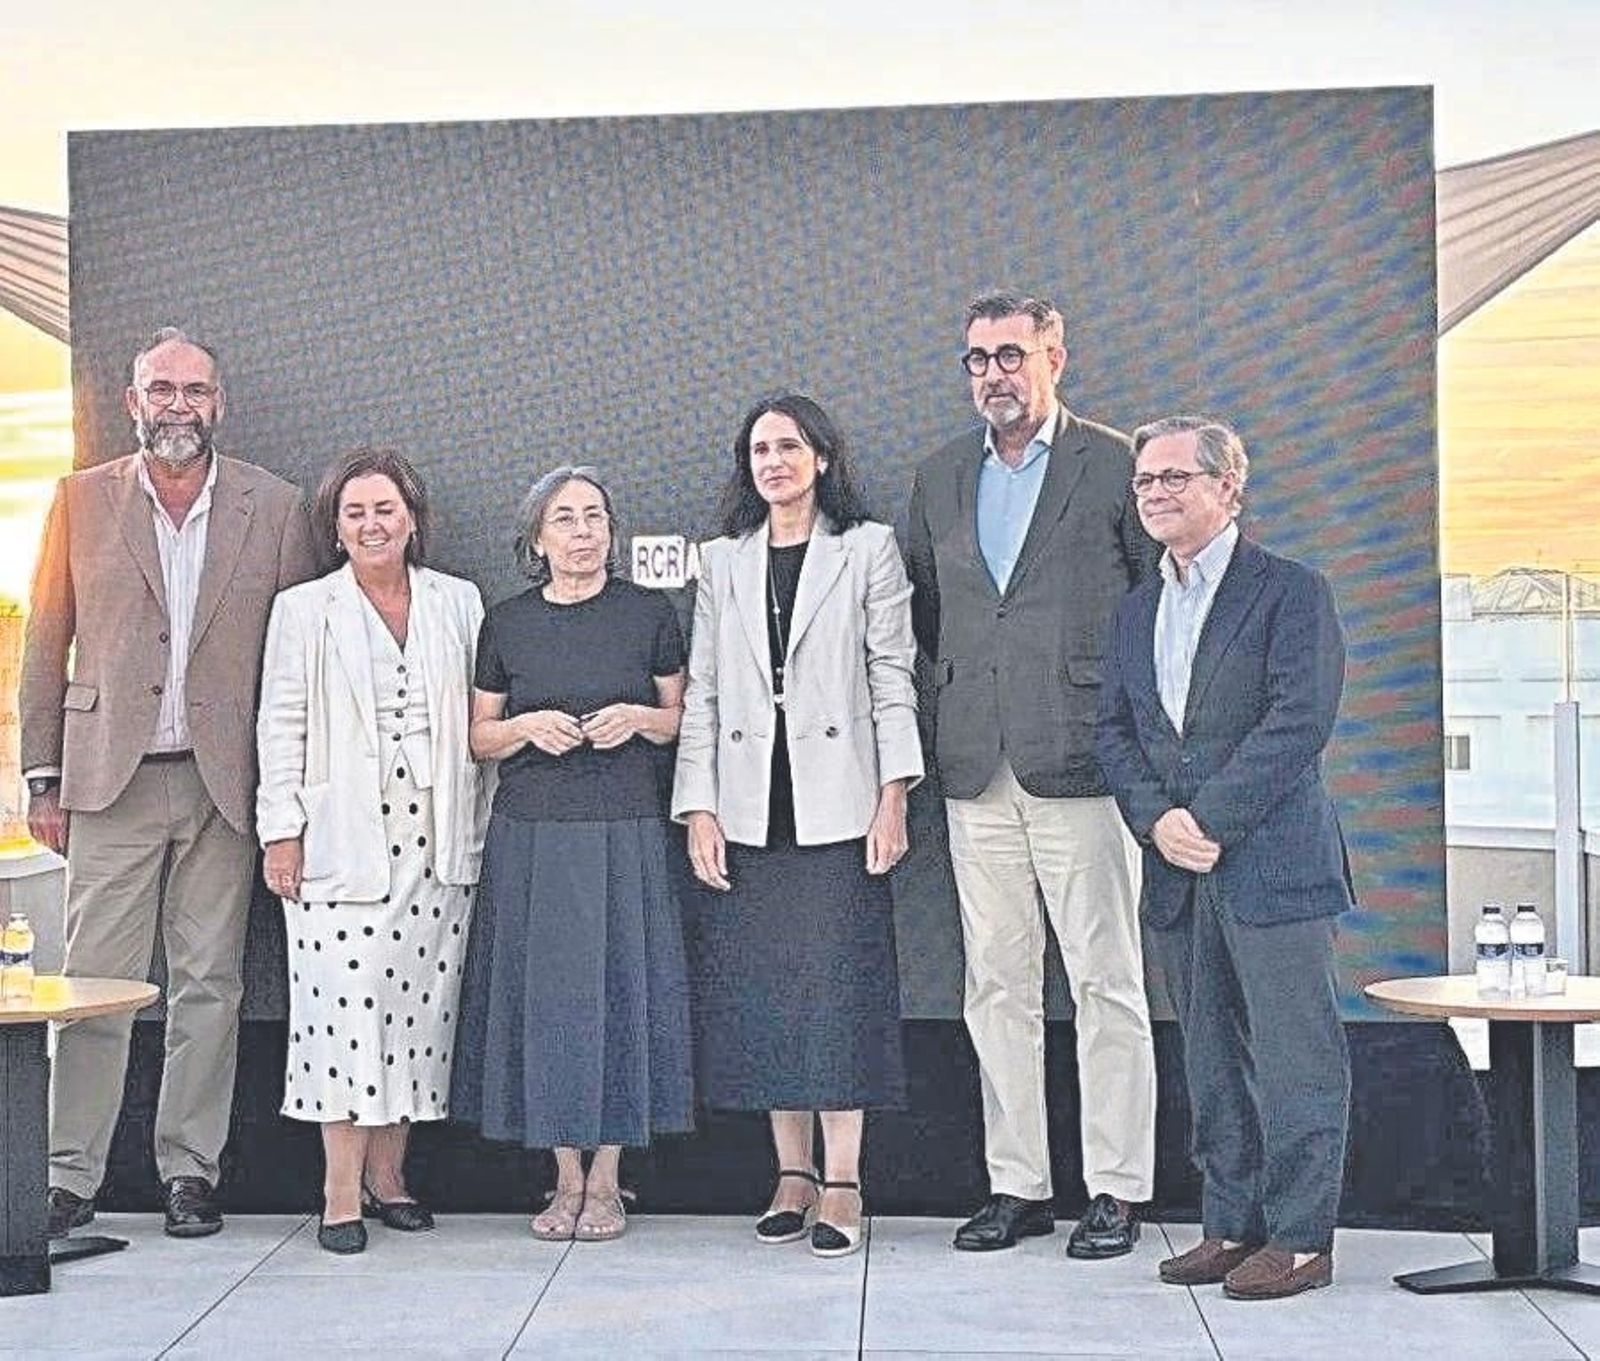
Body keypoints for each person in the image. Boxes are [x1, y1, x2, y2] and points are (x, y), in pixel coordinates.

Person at [20, 326, 316, 1239]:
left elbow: (297, 657)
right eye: (162, 389)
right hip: (107, 781)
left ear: (218, 403)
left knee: (210, 986)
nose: (178, 404)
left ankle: (191, 1170)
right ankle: (70, 1176)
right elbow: (44, 637)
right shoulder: (79, 498)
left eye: (194, 389)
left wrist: (291, 796)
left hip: (226, 786)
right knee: (94, 984)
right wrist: (42, 777)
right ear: (132, 401)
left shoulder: (276, 506)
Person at [905, 290, 1160, 1257]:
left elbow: (1151, 604)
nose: (993, 375)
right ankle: (1018, 1185)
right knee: (996, 985)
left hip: (1084, 760)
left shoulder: (1114, 463)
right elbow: (934, 615)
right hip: (976, 764)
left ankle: (1117, 1186)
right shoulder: (938, 477)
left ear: (1056, 355)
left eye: (1011, 355)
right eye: (976, 359)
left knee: (1106, 979)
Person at [1096, 416, 1352, 1300]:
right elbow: (1117, 732)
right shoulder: (1136, 609)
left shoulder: (1290, 591)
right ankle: (1232, 1223)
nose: (1156, 493)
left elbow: (1299, 720)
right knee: (1210, 1059)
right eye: (1145, 482)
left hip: (1271, 862)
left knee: (1296, 1057)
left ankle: (1302, 1237)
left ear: (1228, 488)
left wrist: (1206, 817)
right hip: (1176, 867)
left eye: (1176, 477)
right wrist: (1156, 821)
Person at [673, 393, 922, 1259]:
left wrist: (893, 794)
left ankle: (845, 1178)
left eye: (788, 446)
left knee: (839, 992)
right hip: (747, 809)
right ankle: (790, 1171)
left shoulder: (868, 549)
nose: (773, 461)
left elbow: (894, 674)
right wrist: (698, 806)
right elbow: (700, 690)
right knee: (766, 994)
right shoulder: (721, 560)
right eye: (758, 449)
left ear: (822, 457)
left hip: (839, 805)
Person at [451, 466, 693, 1243]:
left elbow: (684, 717)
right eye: (565, 518)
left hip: (625, 825)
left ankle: (609, 1182)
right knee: (548, 1005)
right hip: (534, 832)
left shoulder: (649, 614)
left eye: (595, 516)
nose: (584, 531)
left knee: (625, 991)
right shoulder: (508, 622)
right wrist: (527, 729)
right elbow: (479, 734)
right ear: (537, 537)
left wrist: (639, 718)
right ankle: (563, 1179)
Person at [255, 448, 487, 1254]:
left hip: (436, 844)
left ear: (412, 517)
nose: (370, 523)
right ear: (335, 526)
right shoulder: (304, 610)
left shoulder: (458, 601)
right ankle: (339, 1192)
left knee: (418, 1017)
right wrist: (279, 829)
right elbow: (278, 726)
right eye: (354, 512)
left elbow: (478, 723)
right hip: (338, 843)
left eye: (384, 508)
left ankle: (392, 1178)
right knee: (342, 1018)